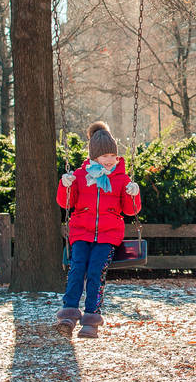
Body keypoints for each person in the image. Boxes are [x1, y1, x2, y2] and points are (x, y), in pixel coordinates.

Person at [54, 121, 141, 339]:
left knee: (95, 272)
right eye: (105, 157)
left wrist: (133, 193)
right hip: (81, 232)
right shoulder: (81, 177)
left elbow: (130, 211)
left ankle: (92, 318)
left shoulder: (121, 179)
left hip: (108, 235)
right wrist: (65, 185)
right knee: (76, 270)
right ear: (94, 157)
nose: (110, 160)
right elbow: (66, 203)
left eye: (113, 156)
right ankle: (69, 314)